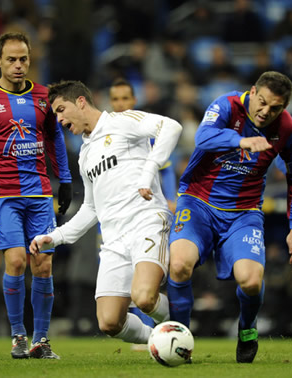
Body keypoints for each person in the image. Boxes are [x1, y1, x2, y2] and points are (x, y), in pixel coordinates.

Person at [167, 71, 292, 363]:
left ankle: (246, 329)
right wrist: (240, 141)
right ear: (253, 91)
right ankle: (180, 338)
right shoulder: (226, 105)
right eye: (263, 103)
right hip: (198, 203)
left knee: (251, 281)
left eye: (275, 108)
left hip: (244, 213)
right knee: (180, 264)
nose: (266, 112)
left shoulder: (288, 129)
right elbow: (203, 136)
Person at [30, 80, 183, 346]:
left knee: (145, 298)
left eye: (61, 109)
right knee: (109, 322)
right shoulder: (84, 154)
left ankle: (181, 324)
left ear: (80, 101)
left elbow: (171, 127)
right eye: (56, 114)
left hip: (146, 221)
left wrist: (149, 171)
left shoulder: (121, 121)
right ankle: (160, 343)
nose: (59, 118)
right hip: (113, 241)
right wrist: (54, 237)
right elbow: (91, 208)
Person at [0, 32, 72, 359]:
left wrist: (65, 179)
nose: (18, 65)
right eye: (11, 59)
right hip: (0, 195)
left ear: (30, 59)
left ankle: (42, 340)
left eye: (23, 59)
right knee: (17, 260)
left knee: (44, 267)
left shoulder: (44, 97)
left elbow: (55, 139)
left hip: (39, 194)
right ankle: (18, 335)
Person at [109, 78, 178, 213]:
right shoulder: (103, 135)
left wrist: (170, 199)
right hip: (115, 207)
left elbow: (166, 169)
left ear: (134, 100)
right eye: (115, 99)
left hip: (145, 205)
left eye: (125, 98)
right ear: (110, 102)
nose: (120, 104)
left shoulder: (147, 135)